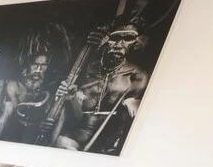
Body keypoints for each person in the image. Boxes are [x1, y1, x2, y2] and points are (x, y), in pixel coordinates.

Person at [52, 19, 149, 154]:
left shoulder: (137, 76)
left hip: (106, 145)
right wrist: (72, 98)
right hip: (75, 139)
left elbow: (129, 121)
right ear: (105, 40)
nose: (119, 45)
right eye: (115, 38)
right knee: (61, 143)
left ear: (135, 43)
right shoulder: (87, 68)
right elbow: (76, 115)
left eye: (127, 39)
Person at [0, 52, 52, 141]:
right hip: (12, 131)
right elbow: (9, 114)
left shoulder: (48, 91)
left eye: (43, 65)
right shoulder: (14, 86)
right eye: (35, 64)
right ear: (27, 66)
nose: (38, 69)